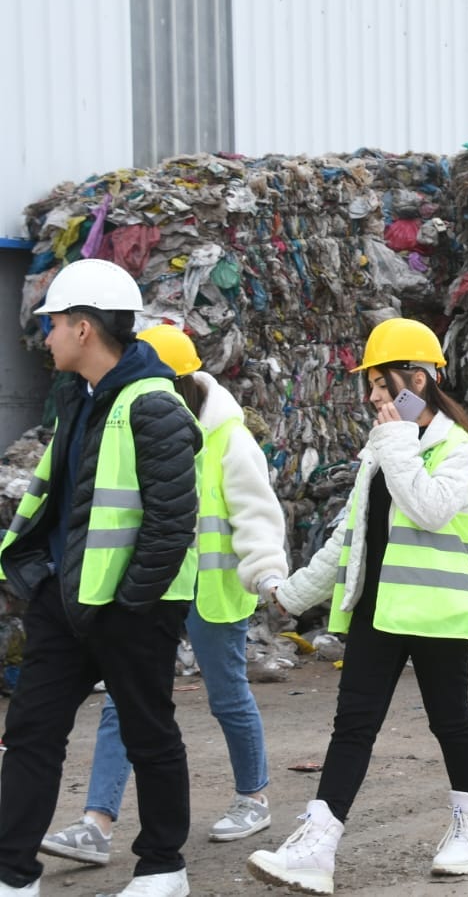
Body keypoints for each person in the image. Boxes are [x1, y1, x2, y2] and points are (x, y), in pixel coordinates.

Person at [248, 318, 468, 893]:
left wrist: (396, 445)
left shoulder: (457, 448)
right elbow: (349, 536)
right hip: (378, 609)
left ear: (417, 379)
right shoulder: (384, 448)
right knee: (352, 726)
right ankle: (316, 846)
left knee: (449, 720)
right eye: (372, 386)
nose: (372, 397)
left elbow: (431, 508)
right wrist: (294, 595)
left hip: (436, 610)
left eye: (381, 385)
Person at [40, 326, 288, 872]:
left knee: (227, 695)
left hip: (210, 589)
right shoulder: (132, 422)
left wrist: (268, 574)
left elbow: (257, 512)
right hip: (155, 586)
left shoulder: (227, 435)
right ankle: (96, 823)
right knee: (121, 701)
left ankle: (254, 798)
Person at [0, 258, 203, 897]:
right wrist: (35, 577)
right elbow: (55, 502)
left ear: (84, 328)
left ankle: (164, 867)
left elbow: (172, 522)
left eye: (54, 322)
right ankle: (12, 875)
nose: (47, 336)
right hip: (64, 600)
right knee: (31, 734)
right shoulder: (77, 400)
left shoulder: (154, 403)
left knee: (150, 734)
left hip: (131, 609)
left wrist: (129, 603)